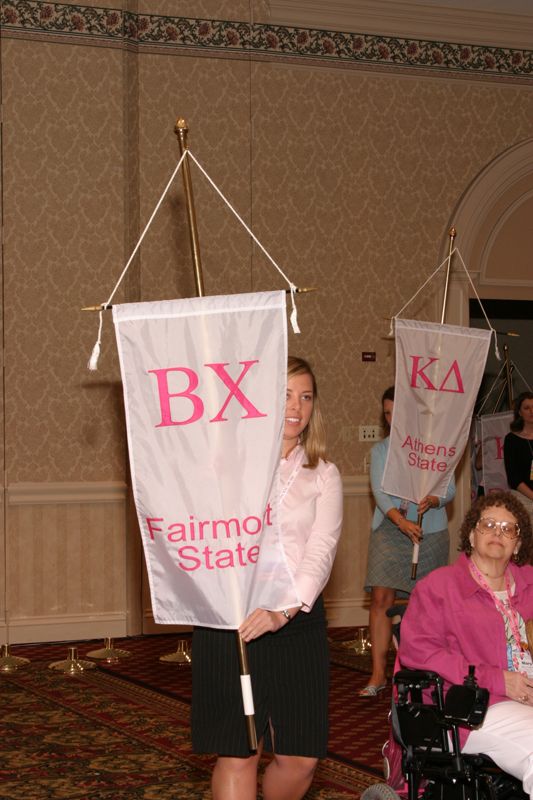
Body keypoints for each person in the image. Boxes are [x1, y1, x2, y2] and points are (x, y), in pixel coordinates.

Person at [191, 355, 343, 800]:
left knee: (301, 758)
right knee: (240, 752)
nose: (296, 406)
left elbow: (321, 551)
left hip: (297, 622)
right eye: (286, 394)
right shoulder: (223, 466)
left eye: (306, 396)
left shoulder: (324, 475)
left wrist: (282, 611)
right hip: (230, 621)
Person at [399, 491, 533, 799]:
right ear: (471, 535)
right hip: (469, 708)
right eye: (488, 525)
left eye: (508, 528)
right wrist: (495, 678)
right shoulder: (440, 587)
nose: (498, 533)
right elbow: (418, 652)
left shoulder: (528, 584)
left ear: (519, 543)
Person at [361, 385, 455, 697]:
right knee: (381, 599)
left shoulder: (435, 448)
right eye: (386, 414)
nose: (391, 419)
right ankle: (377, 675)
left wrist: (434, 498)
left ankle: (416, 670)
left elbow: (449, 490)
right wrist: (401, 522)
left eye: (396, 413)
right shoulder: (381, 451)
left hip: (429, 531)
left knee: (423, 604)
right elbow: (379, 490)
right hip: (391, 529)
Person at [504, 391, 533, 520]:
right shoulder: (512, 440)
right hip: (524, 500)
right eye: (527, 408)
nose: (532, 411)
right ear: (520, 413)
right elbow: (513, 478)